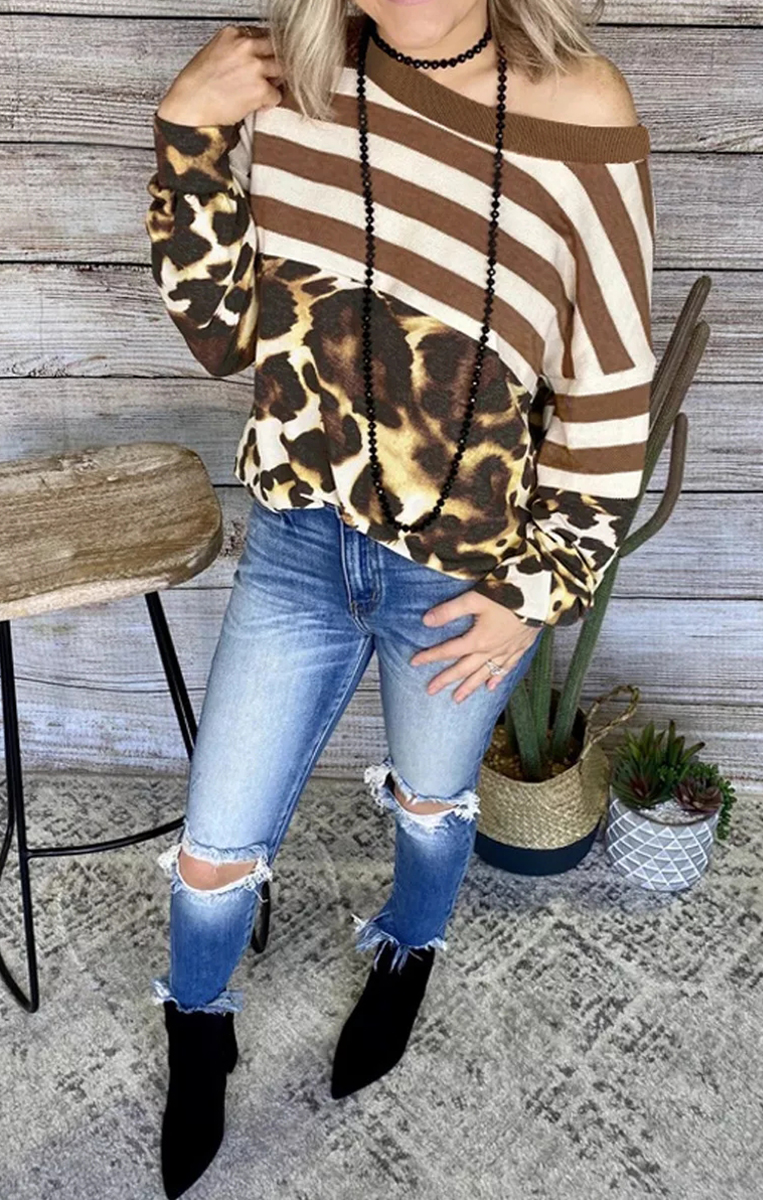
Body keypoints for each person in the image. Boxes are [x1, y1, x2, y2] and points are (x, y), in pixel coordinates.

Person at [144, 1, 656, 1195]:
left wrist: (537, 591)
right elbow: (224, 337)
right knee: (214, 849)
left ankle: (409, 950)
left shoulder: (581, 106)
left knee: (432, 801)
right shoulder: (296, 75)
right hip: (296, 545)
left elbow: (607, 387)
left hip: (461, 575)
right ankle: (198, 1028)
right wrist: (187, 129)